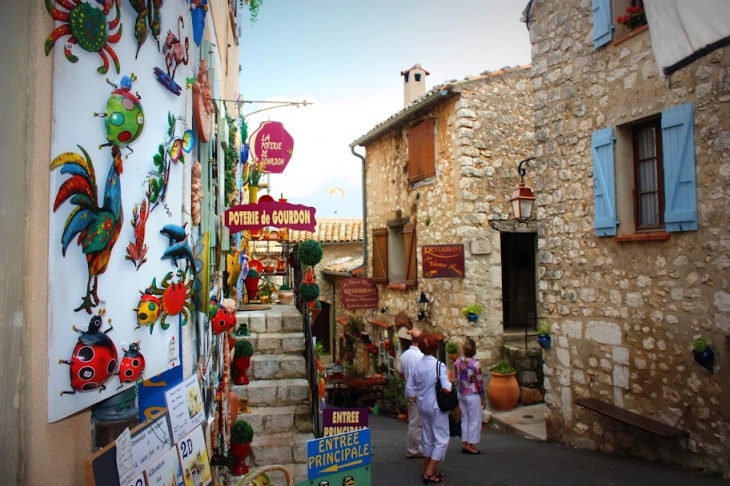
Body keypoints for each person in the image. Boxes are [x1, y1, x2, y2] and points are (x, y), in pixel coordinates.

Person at [405, 332, 452, 484]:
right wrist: (449, 380)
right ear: (435, 348)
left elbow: (409, 387)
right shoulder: (439, 365)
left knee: (428, 437)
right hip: (436, 406)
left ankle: (427, 468)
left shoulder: (418, 365)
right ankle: (430, 471)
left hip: (422, 405)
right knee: (442, 439)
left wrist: (416, 398)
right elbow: (446, 388)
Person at [454, 338, 486, 454]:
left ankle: (465, 442)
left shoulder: (458, 361)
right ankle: (469, 445)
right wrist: (483, 397)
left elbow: (455, 377)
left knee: (465, 419)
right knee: (474, 419)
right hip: (472, 393)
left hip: (461, 392)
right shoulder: (475, 364)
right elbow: (479, 382)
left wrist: (458, 388)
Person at [399, 329, 424, 459]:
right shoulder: (421, 357)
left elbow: (401, 374)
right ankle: (413, 449)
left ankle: (414, 447)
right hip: (417, 392)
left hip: (408, 391)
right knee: (416, 422)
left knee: (413, 420)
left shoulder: (404, 355)